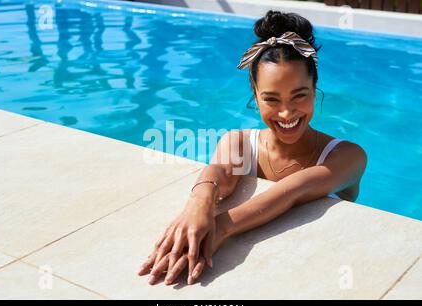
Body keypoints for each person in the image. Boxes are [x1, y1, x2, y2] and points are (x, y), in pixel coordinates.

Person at [138, 10, 367, 286]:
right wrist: (197, 206)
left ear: (314, 89)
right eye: (271, 99)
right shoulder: (239, 142)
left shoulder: (347, 156)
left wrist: (219, 228)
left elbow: (294, 190)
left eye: (299, 96)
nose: (286, 113)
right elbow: (219, 171)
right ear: (256, 98)